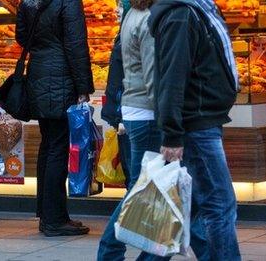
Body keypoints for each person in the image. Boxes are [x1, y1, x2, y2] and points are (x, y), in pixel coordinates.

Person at [148, 0, 241, 260]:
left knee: (186, 210)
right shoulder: (182, 14)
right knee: (219, 205)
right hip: (196, 124)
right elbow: (172, 77)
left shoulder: (198, 9)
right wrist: (172, 133)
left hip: (202, 120)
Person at [16, 0, 94, 237]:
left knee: (48, 145)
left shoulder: (26, 2)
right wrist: (83, 86)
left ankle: (47, 214)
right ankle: (55, 219)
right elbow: (76, 44)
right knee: (58, 148)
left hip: (38, 73)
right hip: (62, 78)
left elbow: (21, 36)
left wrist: (43, 47)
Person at [97, 0, 161, 259]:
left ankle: (135, 252)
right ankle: (110, 249)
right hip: (147, 111)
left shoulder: (131, 14)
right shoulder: (146, 19)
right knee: (141, 187)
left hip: (136, 110)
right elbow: (152, 74)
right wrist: (168, 116)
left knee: (146, 185)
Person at [100, 0, 131, 188]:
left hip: (128, 115)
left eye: (120, 5)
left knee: (134, 176)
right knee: (132, 174)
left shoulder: (130, 34)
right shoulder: (124, 33)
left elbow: (130, 80)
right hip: (125, 114)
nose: (116, 10)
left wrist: (121, 116)